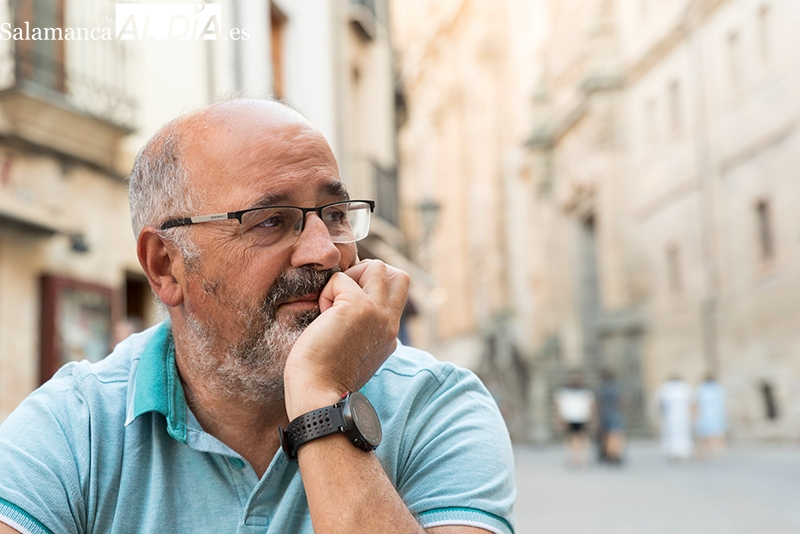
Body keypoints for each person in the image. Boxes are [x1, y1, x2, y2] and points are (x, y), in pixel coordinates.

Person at [0, 100, 515, 534]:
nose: (325, 252)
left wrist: (320, 397)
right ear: (165, 266)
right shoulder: (75, 428)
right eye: (271, 221)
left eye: (335, 216)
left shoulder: (435, 406)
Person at [555, 371, 595, 468]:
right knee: (570, 439)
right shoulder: (563, 392)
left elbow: (592, 406)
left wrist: (592, 419)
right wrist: (559, 419)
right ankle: (572, 458)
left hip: (583, 418)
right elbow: (557, 406)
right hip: (569, 418)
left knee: (583, 439)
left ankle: (582, 458)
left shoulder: (587, 392)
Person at [655, 375, 693, 461]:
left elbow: (659, 403)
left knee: (673, 435)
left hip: (671, 416)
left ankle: (675, 453)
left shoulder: (665, 388)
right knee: (681, 435)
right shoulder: (684, 387)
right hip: (682, 416)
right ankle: (681, 452)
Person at [596, 368, 625, 465]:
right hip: (614, 413)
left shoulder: (601, 388)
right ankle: (614, 454)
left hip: (604, 413)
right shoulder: (616, 387)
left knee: (606, 436)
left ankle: (608, 454)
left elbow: (599, 402)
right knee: (615, 435)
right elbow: (620, 400)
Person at [694, 374, 726, 458]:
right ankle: (717, 449)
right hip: (716, 413)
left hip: (705, 413)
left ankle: (707, 449)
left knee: (705, 434)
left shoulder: (701, 388)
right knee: (717, 432)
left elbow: (697, 402)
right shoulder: (718, 387)